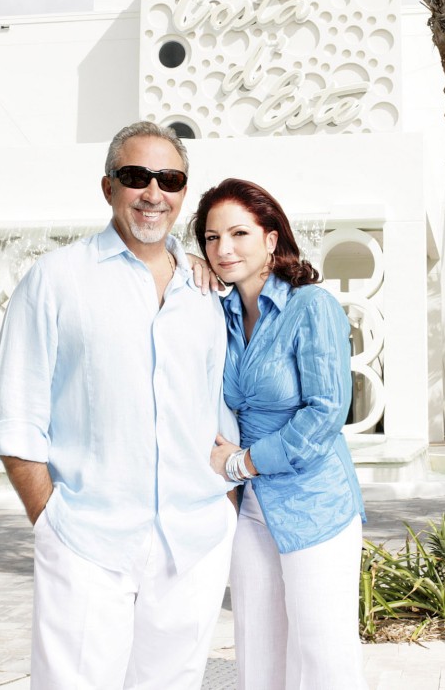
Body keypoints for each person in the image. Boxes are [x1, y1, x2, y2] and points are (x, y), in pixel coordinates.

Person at [0, 121, 239, 690]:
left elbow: (220, 409)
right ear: (108, 187)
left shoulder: (205, 291)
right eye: (135, 176)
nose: (153, 192)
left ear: (183, 193)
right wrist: (50, 518)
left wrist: (224, 504)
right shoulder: (54, 281)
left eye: (169, 179)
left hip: (193, 539)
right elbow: (15, 416)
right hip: (86, 540)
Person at [191, 178, 368, 690]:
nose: (224, 249)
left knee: (323, 654)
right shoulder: (217, 310)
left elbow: (326, 411)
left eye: (239, 234)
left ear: (271, 239)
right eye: (211, 237)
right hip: (252, 509)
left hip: (315, 503)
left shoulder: (310, 306)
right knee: (257, 652)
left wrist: (243, 461)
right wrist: (187, 262)